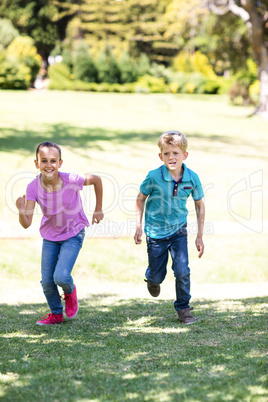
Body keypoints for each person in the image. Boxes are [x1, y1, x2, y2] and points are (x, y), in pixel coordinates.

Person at [16, 142, 104, 325]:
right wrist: (21, 210)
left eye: (53, 161)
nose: (49, 165)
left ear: (60, 163)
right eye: (44, 161)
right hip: (50, 237)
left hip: (74, 233)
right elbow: (26, 223)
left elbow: (96, 179)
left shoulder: (71, 178)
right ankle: (56, 314)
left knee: (61, 276)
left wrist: (98, 209)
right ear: (36, 163)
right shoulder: (33, 187)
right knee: (47, 282)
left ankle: (70, 291)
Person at [134, 131, 205, 325]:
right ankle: (151, 278)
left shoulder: (192, 178)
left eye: (175, 153)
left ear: (185, 155)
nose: (171, 157)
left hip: (178, 230)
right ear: (160, 156)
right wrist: (139, 225)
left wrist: (199, 236)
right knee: (158, 275)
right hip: (155, 233)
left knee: (182, 270)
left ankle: (183, 308)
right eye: (166, 154)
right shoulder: (154, 176)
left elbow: (199, 205)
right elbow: (140, 198)